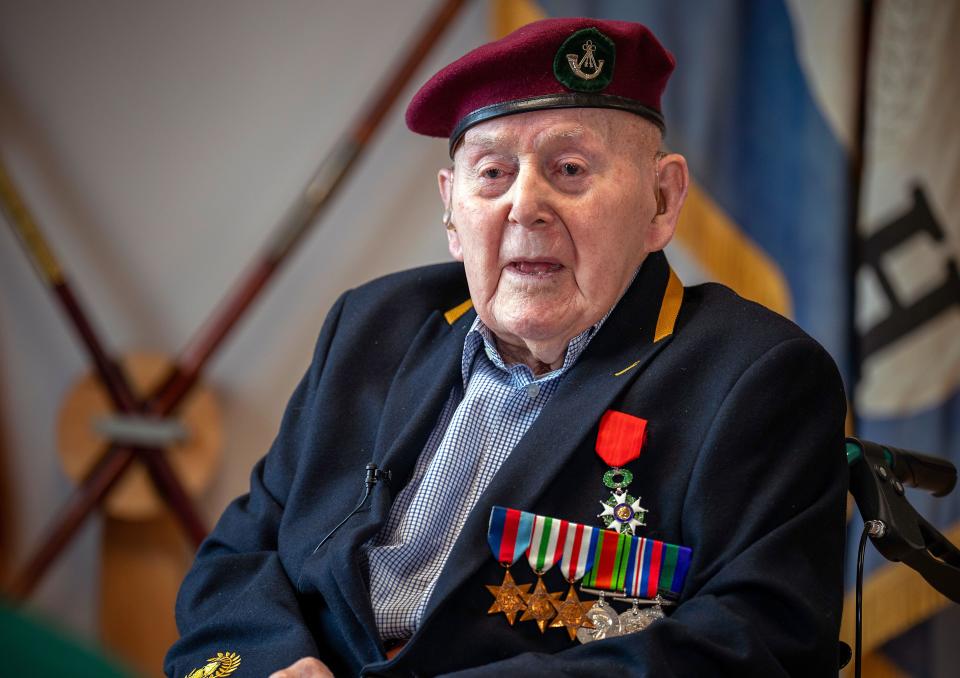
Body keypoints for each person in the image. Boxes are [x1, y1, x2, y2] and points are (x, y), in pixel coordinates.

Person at [165, 17, 847, 678]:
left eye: (571, 168)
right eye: (492, 174)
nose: (525, 206)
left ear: (662, 201)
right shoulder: (371, 326)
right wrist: (273, 667)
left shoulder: (755, 379)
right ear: (452, 209)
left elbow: (761, 642)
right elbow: (242, 552)